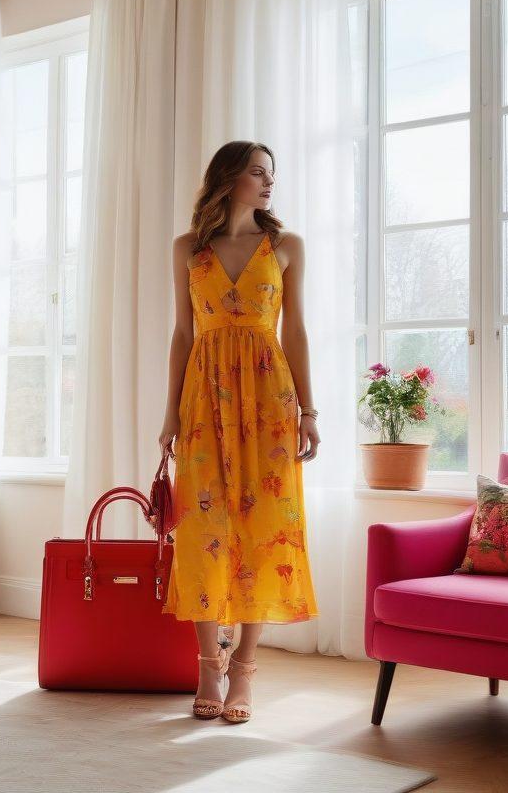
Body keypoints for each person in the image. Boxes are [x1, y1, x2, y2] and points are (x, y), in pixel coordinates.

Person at [158, 141, 321, 723]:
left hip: (269, 400)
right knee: (201, 528)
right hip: (203, 400)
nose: (269, 182)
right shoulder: (188, 248)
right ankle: (209, 663)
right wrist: (170, 413)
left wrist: (309, 412)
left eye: (270, 174)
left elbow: (294, 331)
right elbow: (183, 334)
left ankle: (245, 669)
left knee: (263, 528)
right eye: (258, 172)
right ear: (229, 178)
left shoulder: (285, 246)